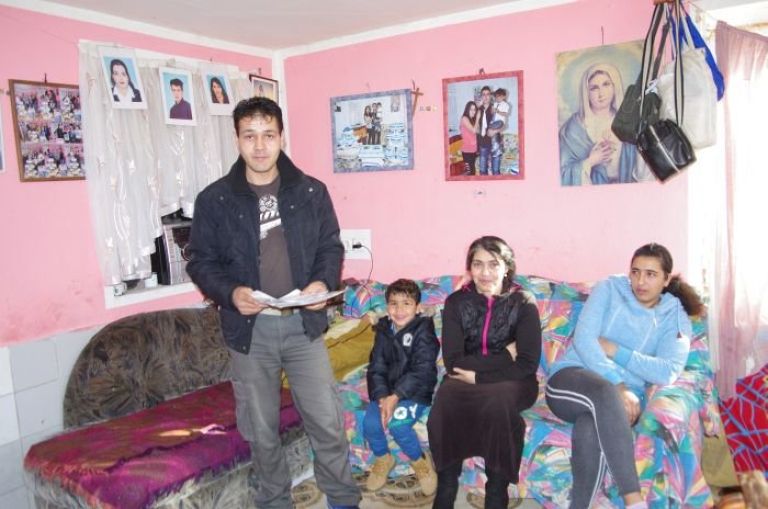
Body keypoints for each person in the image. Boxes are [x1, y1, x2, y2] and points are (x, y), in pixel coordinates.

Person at [186, 97, 361, 509]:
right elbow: (200, 261)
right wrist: (231, 293)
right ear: (237, 139)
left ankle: (342, 500)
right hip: (250, 331)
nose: (260, 146)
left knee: (327, 422)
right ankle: (275, 502)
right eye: (250, 136)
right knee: (261, 430)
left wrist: (322, 282)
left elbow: (330, 247)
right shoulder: (215, 200)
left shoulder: (312, 192)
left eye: (268, 135)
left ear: (281, 137)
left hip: (304, 327)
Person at [545, 243, 704, 509]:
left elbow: (668, 370)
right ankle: (634, 501)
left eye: (651, 274)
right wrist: (617, 384)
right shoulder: (609, 289)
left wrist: (616, 351)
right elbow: (584, 340)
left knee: (589, 427)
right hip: (571, 380)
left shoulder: (675, 316)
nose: (640, 281)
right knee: (605, 392)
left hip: (623, 400)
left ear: (666, 279)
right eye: (635, 272)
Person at [427, 236, 541, 509]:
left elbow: (527, 363)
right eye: (478, 264)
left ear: (507, 267)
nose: (485, 272)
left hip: (514, 381)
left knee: (498, 400)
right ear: (470, 268)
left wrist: (479, 377)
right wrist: (505, 356)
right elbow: (454, 362)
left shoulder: (523, 302)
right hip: (464, 378)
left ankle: (496, 492)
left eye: (493, 264)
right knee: (446, 398)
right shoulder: (456, 302)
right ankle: (446, 486)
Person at [363, 278, 440, 495]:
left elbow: (422, 370)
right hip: (387, 391)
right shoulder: (383, 330)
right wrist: (381, 396)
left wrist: (396, 396)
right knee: (371, 423)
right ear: (387, 306)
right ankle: (383, 458)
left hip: (415, 391)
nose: (399, 310)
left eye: (406, 304)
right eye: (393, 304)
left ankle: (420, 461)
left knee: (398, 425)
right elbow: (376, 366)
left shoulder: (424, 330)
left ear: (417, 307)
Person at [559, 63, 642, 185]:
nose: (601, 93)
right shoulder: (573, 128)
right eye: (594, 88)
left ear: (614, 87)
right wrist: (591, 161)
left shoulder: (628, 121)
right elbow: (563, 174)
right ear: (586, 92)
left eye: (606, 84)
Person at [476, 87, 503, 176]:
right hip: (483, 143)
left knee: (496, 171)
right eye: (483, 94)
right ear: (481, 96)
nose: (486, 96)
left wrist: (495, 131)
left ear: (490, 96)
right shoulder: (478, 110)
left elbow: (503, 124)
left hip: (495, 143)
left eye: (488, 94)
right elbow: (476, 127)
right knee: (482, 171)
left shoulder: (495, 107)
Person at [459, 101, 478, 175]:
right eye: (471, 109)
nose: (473, 112)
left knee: (473, 172)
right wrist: (478, 118)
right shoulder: (464, 118)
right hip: (467, 151)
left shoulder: (472, 120)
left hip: (474, 150)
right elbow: (473, 131)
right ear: (467, 110)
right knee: (470, 173)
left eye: (474, 110)